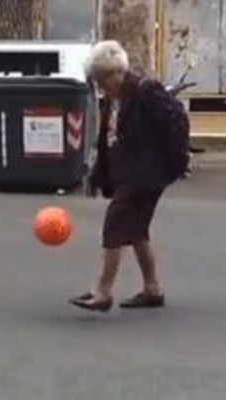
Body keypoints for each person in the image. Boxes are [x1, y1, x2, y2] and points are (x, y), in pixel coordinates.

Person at [69, 40, 188, 312]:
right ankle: (152, 289)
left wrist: (175, 164)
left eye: (102, 81)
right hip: (132, 173)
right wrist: (98, 175)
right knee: (136, 230)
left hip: (146, 174)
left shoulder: (146, 91)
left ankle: (102, 292)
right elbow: (110, 141)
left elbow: (177, 121)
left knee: (115, 224)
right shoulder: (117, 99)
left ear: (115, 74)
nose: (102, 88)